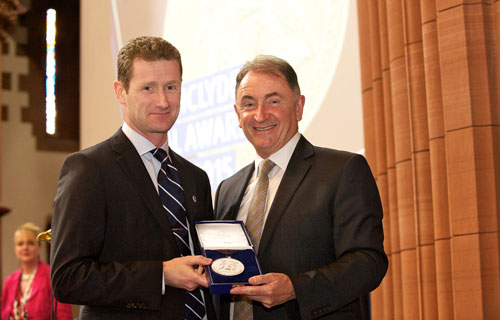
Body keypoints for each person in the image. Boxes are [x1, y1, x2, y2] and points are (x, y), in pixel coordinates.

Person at [50, 36, 216, 319]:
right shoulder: (88, 168)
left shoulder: (195, 177)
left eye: (171, 87)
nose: (163, 101)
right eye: (148, 88)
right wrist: (160, 275)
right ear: (121, 91)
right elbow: (68, 278)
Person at [214, 55, 388, 319]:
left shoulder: (342, 170)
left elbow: (368, 263)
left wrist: (296, 288)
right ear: (238, 115)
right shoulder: (228, 188)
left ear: (298, 107)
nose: (260, 115)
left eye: (273, 101)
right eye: (249, 104)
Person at [1, 222, 73, 320]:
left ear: (39, 247)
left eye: (30, 243)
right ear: (15, 248)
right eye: (20, 244)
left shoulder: (52, 276)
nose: (25, 247)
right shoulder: (9, 281)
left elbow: (64, 315)